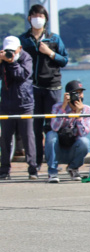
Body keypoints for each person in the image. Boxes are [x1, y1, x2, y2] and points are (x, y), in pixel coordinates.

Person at [19, 4, 69, 170]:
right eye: (34, 16)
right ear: (29, 18)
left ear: (46, 19)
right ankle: (35, 163)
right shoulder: (23, 39)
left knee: (53, 127)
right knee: (34, 128)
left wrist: (50, 53)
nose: (37, 19)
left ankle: (53, 162)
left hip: (53, 87)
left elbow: (64, 60)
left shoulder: (54, 39)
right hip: (31, 87)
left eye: (40, 16)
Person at [0, 36, 38, 180]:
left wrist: (13, 62)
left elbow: (22, 75)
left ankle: (32, 168)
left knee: (28, 137)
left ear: (20, 48)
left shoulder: (26, 58)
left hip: (25, 104)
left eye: (13, 50)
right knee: (5, 139)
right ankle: (4, 169)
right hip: (6, 104)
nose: (11, 53)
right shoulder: (3, 59)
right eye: (7, 51)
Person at [45, 80, 90, 183]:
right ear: (68, 95)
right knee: (50, 135)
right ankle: (52, 171)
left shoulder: (87, 110)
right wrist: (63, 108)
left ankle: (73, 168)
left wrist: (79, 115)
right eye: (76, 93)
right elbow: (54, 127)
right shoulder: (57, 107)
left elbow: (84, 133)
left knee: (85, 142)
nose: (79, 96)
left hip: (73, 148)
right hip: (58, 148)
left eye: (81, 93)